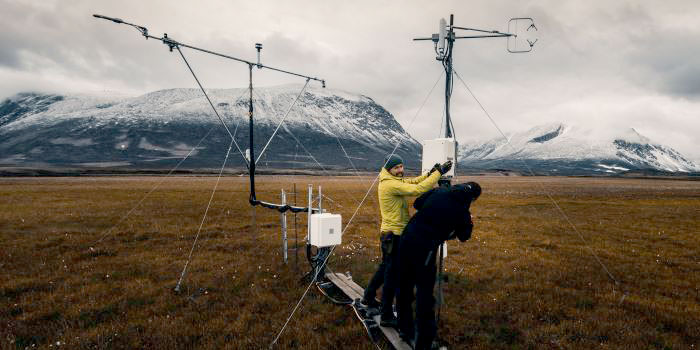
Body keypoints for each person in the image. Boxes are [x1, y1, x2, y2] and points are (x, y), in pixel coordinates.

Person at [361, 154, 452, 328]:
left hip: (390, 234)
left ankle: (368, 296)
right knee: (392, 275)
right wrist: (438, 173)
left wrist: (430, 173)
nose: (401, 170)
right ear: (389, 170)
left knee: (385, 268)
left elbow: (412, 182)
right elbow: (416, 190)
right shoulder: (389, 184)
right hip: (394, 235)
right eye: (397, 168)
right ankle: (386, 314)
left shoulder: (392, 180)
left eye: (402, 166)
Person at [396, 182, 482, 349]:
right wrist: (469, 222)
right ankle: (424, 343)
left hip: (407, 239)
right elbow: (464, 236)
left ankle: (405, 328)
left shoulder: (439, 191)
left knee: (404, 286)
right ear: (473, 198)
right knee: (425, 296)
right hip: (425, 251)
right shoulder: (462, 212)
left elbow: (417, 203)